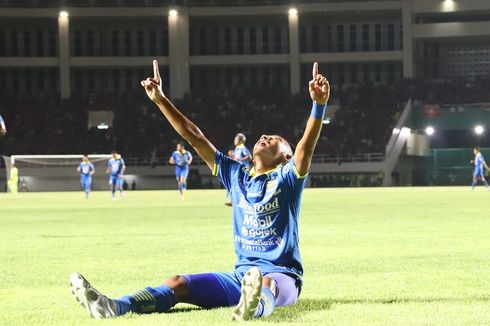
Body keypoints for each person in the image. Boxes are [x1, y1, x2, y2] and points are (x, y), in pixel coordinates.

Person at [70, 60, 329, 321]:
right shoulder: (235, 174)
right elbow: (195, 138)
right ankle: (114, 306)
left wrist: (318, 104)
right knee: (177, 283)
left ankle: (254, 307)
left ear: (286, 157)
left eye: (275, 140)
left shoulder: (288, 178)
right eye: (264, 136)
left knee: (267, 285)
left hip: (281, 276)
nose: (264, 137)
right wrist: (160, 100)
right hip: (241, 276)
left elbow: (306, 147)